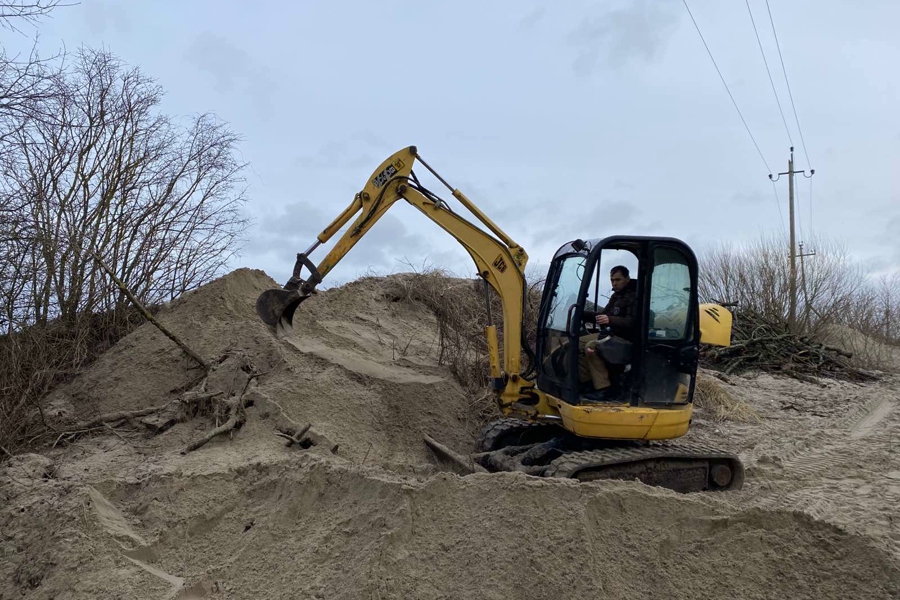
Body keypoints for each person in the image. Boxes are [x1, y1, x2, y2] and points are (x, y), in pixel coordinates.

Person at [578, 265, 637, 402]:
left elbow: (633, 322)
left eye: (618, 279)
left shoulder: (635, 296)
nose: (615, 283)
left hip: (626, 339)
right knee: (576, 342)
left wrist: (611, 320)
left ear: (627, 279)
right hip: (611, 335)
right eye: (612, 280)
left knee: (591, 346)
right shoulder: (616, 296)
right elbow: (603, 315)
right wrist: (582, 314)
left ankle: (603, 389)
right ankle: (587, 382)